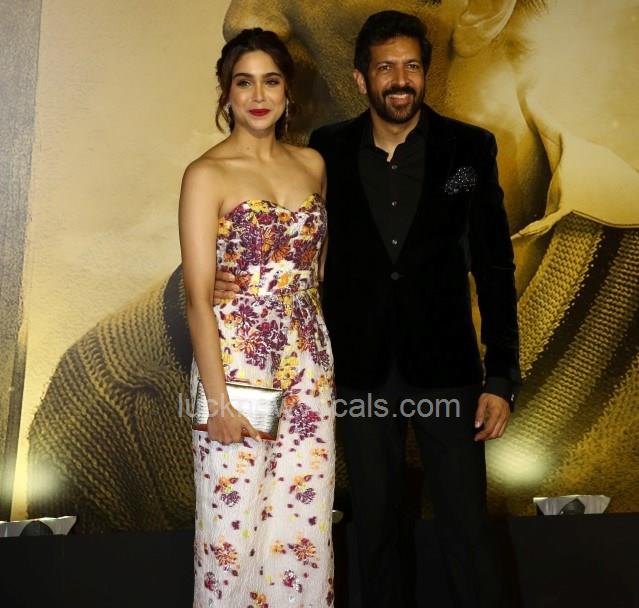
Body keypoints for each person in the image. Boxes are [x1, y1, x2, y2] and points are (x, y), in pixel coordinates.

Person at [27, 0, 639, 533]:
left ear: (483, 6)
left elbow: (480, 264)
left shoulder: (473, 168)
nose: (241, 17)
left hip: (410, 391)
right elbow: (309, 256)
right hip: (327, 389)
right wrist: (221, 286)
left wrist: (500, 377)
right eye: (245, 80)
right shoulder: (112, 392)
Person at [214, 11, 546, 608]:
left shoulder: (466, 152)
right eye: (386, 69)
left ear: (425, 72)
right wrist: (221, 277)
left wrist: (500, 374)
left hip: (447, 377)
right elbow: (284, 240)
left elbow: (493, 266)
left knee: (468, 538)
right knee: (376, 534)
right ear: (361, 78)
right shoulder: (325, 152)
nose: (401, 81)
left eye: (412, 67)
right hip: (357, 375)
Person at [179, 27, 335, 608]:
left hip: (308, 366)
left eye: (270, 80)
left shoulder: (313, 165)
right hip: (235, 367)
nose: (259, 95)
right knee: (231, 527)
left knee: (294, 528)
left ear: (287, 90)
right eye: (244, 81)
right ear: (226, 92)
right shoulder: (205, 174)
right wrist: (217, 403)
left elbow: (315, 273)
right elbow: (196, 298)